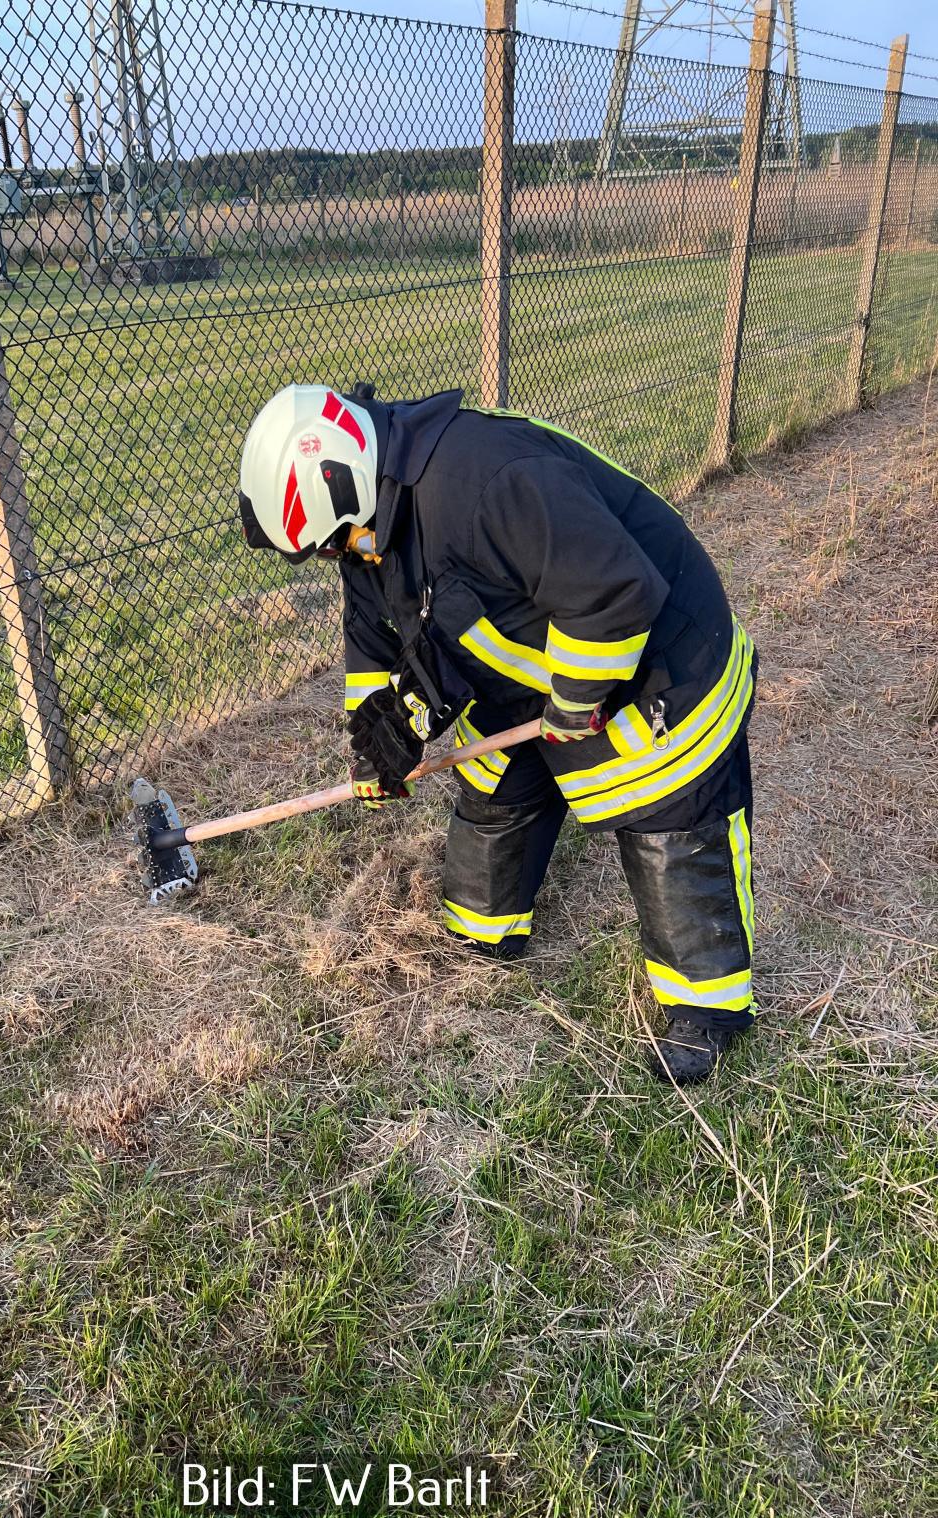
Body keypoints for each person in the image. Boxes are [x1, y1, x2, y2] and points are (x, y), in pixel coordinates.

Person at [238, 384, 757, 1085]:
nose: (335, 560)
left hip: (658, 649)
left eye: (330, 545)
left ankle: (706, 1007)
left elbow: (611, 593)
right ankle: (490, 927)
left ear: (346, 488)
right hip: (529, 649)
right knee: (491, 778)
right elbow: (371, 632)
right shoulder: (370, 523)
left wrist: (575, 708)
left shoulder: (486, 480)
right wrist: (376, 737)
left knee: (662, 805)